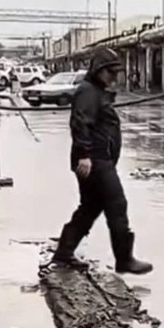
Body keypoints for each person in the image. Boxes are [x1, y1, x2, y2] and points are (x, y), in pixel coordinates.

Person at [53, 47, 152, 275]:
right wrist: (85, 154)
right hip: (95, 160)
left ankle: (64, 252)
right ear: (98, 70)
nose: (113, 77)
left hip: (98, 158)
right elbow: (80, 123)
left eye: (115, 73)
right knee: (117, 205)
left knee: (89, 207)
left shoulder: (96, 91)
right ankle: (124, 259)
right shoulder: (88, 91)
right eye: (110, 72)